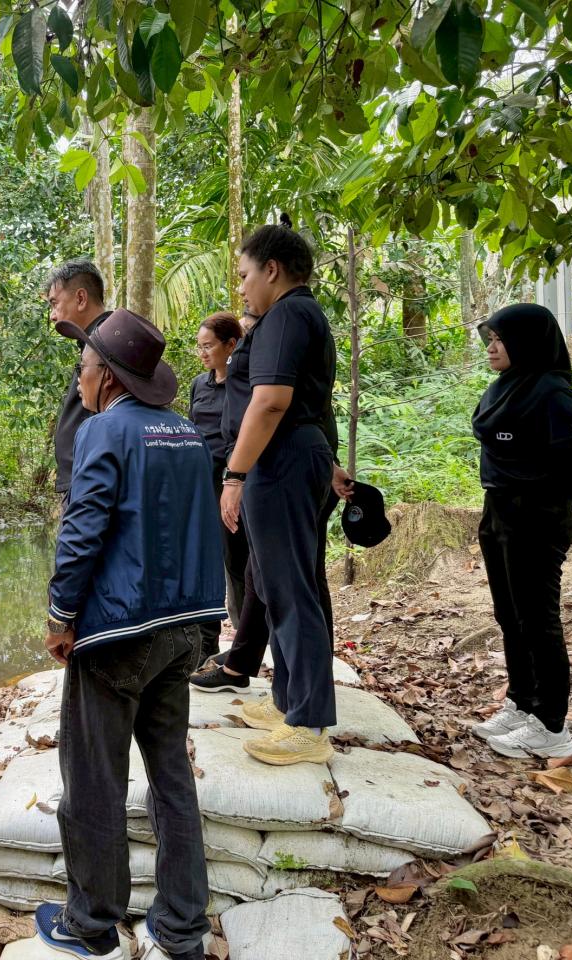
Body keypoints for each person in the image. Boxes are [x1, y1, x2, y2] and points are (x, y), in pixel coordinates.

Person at [39, 309, 225, 960]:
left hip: (120, 631)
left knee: (93, 780)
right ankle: (181, 929)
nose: (80, 376)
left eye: (84, 365)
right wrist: (208, 625)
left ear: (109, 377)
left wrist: (62, 616)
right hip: (180, 629)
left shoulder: (104, 432)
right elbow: (206, 529)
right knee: (171, 774)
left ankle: (92, 925)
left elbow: (83, 529)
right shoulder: (183, 433)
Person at [218, 225, 339, 766]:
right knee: (271, 581)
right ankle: (289, 700)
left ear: (272, 269)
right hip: (290, 455)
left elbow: (269, 402)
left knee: (292, 588)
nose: (242, 288)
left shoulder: (287, 315)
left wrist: (234, 474)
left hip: (283, 456)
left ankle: (310, 725)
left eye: (245, 275)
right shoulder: (293, 316)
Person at [192, 303, 352, 695]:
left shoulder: (281, 374)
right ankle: (277, 685)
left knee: (294, 584)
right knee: (261, 577)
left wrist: (235, 477)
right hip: (257, 478)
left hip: (272, 478)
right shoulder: (234, 381)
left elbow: (282, 413)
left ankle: (305, 701)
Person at [469, 304, 572, 760]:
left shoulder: (552, 393)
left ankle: (552, 725)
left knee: (538, 619)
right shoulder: (503, 388)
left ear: (527, 343)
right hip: (498, 509)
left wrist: (551, 507)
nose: (492, 346)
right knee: (510, 614)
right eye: (491, 337)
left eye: (500, 338)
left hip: (535, 517)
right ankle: (523, 704)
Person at [188, 311, 242, 667]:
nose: (203, 353)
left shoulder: (244, 386)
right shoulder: (198, 385)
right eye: (200, 347)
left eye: (209, 346)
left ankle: (245, 642)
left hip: (232, 484)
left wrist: (233, 480)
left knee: (236, 563)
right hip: (198, 484)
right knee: (202, 564)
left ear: (230, 346)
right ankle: (205, 644)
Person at [45, 260, 112, 503]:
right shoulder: (92, 342)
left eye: (55, 304)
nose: (53, 316)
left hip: (91, 483)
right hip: (84, 479)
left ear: (81, 298)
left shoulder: (108, 342)